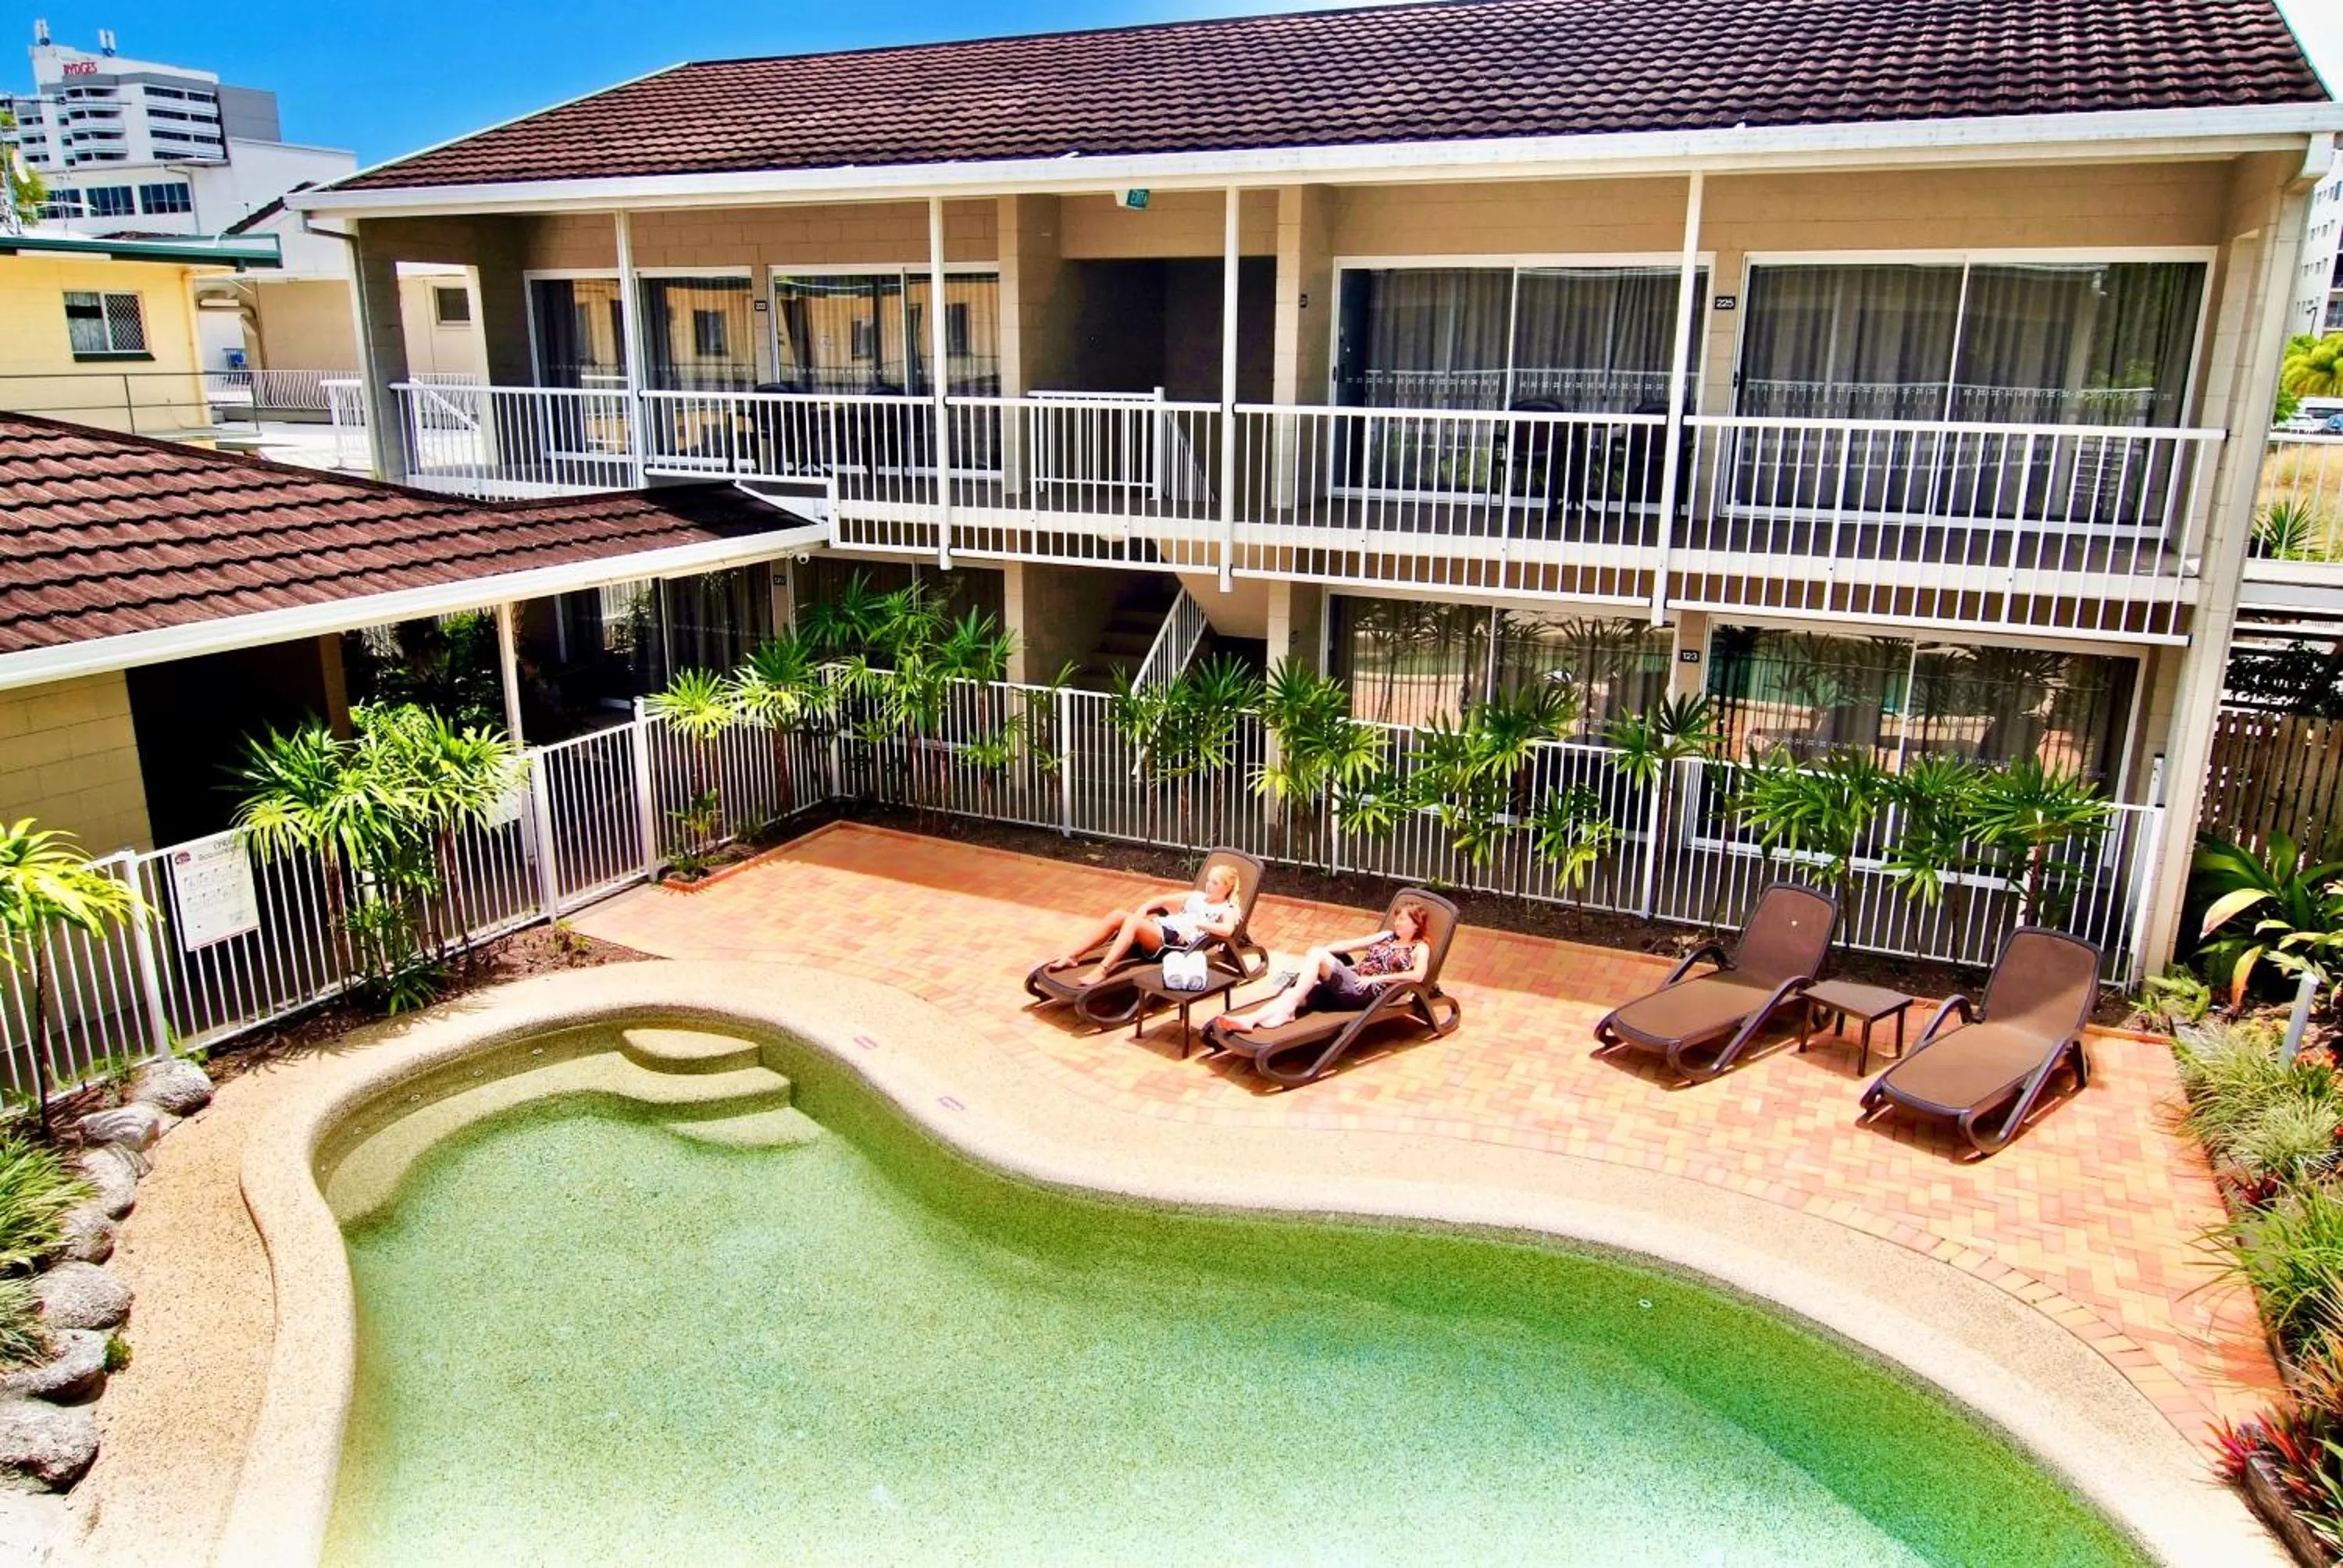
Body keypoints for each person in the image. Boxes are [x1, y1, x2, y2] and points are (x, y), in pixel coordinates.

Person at [1218, 901, 1432, 1035]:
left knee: (1315, 956)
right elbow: (1351, 945)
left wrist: (1373, 980)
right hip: (1351, 982)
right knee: (1296, 992)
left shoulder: (1419, 948)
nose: (1397, 923)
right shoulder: (1387, 936)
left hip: (1364, 992)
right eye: (1397, 919)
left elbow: (1418, 975)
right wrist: (1325, 951)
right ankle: (1250, 1020)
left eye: (1402, 920)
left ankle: (1287, 1010)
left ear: (1416, 924)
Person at [1045, 863, 1245, 986]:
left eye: (1215, 883)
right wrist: (1144, 908)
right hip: (1160, 929)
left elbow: (1227, 930)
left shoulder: (1227, 909)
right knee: (1118, 915)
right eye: (1209, 881)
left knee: (1132, 922)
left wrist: (1201, 925)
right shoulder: (1197, 896)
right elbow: (1160, 900)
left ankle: (1103, 970)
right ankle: (1072, 956)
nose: (1209, 885)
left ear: (1227, 888)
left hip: (1172, 944)